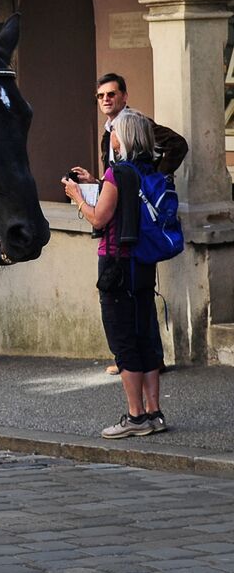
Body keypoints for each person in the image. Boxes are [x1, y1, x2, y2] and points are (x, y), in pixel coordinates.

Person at [72, 73, 187, 376]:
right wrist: (96, 183)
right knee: (134, 298)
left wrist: (155, 179)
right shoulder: (107, 133)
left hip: (134, 231)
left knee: (134, 299)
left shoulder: (135, 124)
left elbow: (177, 145)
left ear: (124, 96)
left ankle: (142, 363)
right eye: (101, 96)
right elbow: (119, 184)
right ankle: (136, 361)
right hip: (122, 224)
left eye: (112, 94)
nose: (106, 100)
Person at [63, 110, 167, 438]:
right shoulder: (149, 169)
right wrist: (97, 184)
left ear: (124, 138)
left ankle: (135, 417)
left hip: (116, 263)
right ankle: (154, 412)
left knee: (123, 338)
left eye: (116, 134)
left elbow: (99, 218)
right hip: (143, 261)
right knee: (146, 333)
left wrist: (78, 197)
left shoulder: (117, 172)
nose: (112, 139)